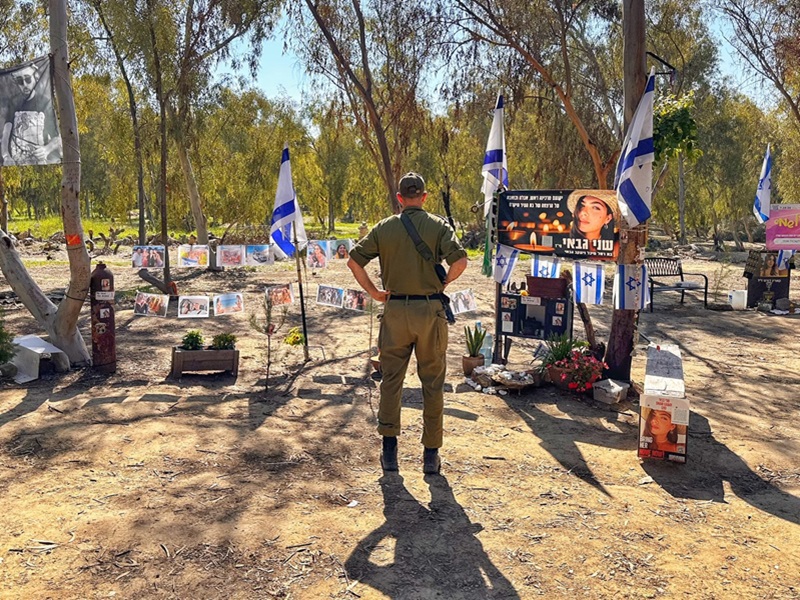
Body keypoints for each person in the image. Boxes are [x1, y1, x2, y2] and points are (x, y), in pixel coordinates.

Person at [347, 172, 468, 475]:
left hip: (395, 312)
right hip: (430, 313)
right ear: (424, 197)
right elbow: (460, 261)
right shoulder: (439, 226)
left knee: (391, 380)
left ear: (400, 198)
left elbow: (353, 261)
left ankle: (389, 452)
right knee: (433, 384)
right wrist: (443, 284)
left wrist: (374, 292)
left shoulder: (384, 227)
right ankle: (430, 455)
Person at [1, 62, 62, 166]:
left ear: (35, 79)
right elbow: (6, 134)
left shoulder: (45, 102)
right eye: (20, 81)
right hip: (17, 164)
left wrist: (46, 149)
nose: (25, 85)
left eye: (28, 79)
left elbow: (57, 138)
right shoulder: (13, 103)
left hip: (39, 164)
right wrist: (6, 156)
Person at [565, 190, 621, 259]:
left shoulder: (616, 245)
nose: (583, 212)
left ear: (608, 218)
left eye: (595, 207)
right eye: (582, 205)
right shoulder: (562, 244)